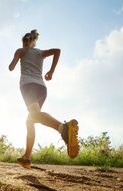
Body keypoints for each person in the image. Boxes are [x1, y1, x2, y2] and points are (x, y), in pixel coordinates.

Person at [8, 29, 79, 169]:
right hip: (42, 88)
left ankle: (63, 128)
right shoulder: (39, 52)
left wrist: (17, 56)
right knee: (31, 120)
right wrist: (51, 71)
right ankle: (27, 157)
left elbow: (11, 67)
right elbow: (57, 51)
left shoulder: (21, 50)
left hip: (28, 86)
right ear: (34, 42)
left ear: (26, 42)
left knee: (33, 116)